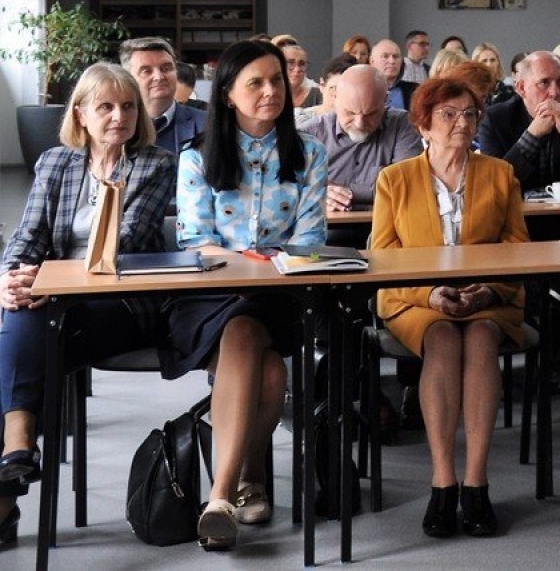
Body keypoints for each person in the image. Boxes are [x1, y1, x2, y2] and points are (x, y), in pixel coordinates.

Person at [167, 39, 328, 552]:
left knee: (261, 349)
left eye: (276, 80)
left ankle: (226, 493)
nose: (270, 91)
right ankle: (240, 483)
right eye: (255, 82)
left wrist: (268, 263)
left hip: (282, 293)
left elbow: (309, 241)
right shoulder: (196, 157)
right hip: (212, 294)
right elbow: (196, 242)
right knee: (257, 349)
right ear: (228, 95)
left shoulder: (310, 155)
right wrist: (254, 262)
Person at [0, 63, 175, 536]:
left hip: (121, 304)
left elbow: (127, 241)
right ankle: (14, 458)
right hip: (53, 306)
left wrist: (46, 285)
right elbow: (27, 236)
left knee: (22, 340)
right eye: (106, 107)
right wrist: (12, 276)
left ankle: (10, 473)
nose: (119, 116)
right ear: (80, 113)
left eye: (128, 106)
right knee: (21, 311)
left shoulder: (154, 164)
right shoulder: (55, 163)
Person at [372, 71, 527, 538]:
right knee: (441, 338)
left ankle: (476, 481)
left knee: (480, 337)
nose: (462, 122)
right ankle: (443, 478)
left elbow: (517, 248)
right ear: (423, 125)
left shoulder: (500, 174)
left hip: (488, 294)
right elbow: (383, 257)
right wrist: (430, 293)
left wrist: (489, 289)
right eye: (448, 114)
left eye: (469, 113)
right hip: (414, 295)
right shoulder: (393, 180)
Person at [301, 63, 425, 213]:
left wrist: (324, 191)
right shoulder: (309, 134)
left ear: (385, 100)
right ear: (335, 98)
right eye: (350, 113)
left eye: (370, 114)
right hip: (324, 233)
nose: (359, 124)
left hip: (383, 231)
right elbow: (288, 192)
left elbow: (406, 186)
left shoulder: (402, 125)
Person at [476, 51, 560, 192]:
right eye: (544, 82)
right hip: (518, 212)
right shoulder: (495, 119)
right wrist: (532, 135)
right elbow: (494, 183)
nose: (555, 92)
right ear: (521, 88)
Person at [120, 36, 205, 157]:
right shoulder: (117, 127)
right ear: (128, 79)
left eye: (166, 68)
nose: (159, 77)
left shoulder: (207, 125)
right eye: (146, 71)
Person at [371, 39, 416, 111]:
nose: (392, 61)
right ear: (372, 61)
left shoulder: (416, 90)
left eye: (396, 56)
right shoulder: (363, 90)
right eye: (385, 56)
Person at [470, 42, 516, 108]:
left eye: (492, 60)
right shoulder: (470, 92)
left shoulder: (507, 92)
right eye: (484, 61)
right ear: (476, 65)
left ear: (498, 63)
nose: (489, 65)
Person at [278, 41, 322, 111]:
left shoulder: (317, 96)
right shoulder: (273, 96)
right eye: (291, 63)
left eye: (302, 64)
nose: (297, 69)